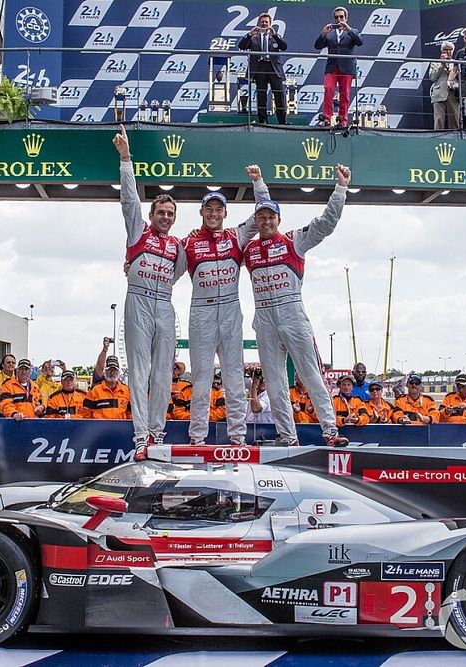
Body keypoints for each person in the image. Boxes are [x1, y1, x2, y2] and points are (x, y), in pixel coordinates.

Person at [243, 165, 353, 448]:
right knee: (276, 381)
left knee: (310, 374)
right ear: (256, 220)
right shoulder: (249, 249)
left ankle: (329, 431)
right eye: (261, 217)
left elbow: (326, 224)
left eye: (271, 217)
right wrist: (258, 182)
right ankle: (287, 437)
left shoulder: (294, 240)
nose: (266, 221)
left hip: (293, 315)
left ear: (278, 220)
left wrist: (340, 189)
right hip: (265, 319)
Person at [181, 167, 269, 447]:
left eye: (219, 209)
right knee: (201, 378)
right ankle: (197, 438)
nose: (214, 214)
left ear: (225, 213)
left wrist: (258, 182)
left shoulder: (236, 236)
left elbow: (262, 212)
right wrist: (131, 267)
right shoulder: (189, 242)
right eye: (209, 209)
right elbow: (165, 271)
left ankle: (237, 438)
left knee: (233, 377)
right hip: (201, 311)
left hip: (230, 309)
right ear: (202, 213)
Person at [113, 125, 186, 458]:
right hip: (139, 302)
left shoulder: (177, 246)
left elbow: (188, 269)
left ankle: (157, 431)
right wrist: (126, 159)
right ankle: (140, 435)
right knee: (139, 370)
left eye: (170, 214)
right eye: (161, 213)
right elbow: (129, 201)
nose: (166, 217)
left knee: (162, 373)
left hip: (165, 304)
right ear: (153, 214)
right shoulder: (138, 232)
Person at [313, 6, 363, 127]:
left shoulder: (353, 31)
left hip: (346, 68)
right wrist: (323, 34)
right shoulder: (330, 33)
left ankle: (342, 120)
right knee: (328, 90)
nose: (339, 19)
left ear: (346, 18)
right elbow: (317, 46)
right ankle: (327, 119)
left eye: (341, 17)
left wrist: (349, 29)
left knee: (345, 93)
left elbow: (360, 42)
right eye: (336, 17)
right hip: (332, 67)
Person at [237, 13, 288, 125]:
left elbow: (284, 47)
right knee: (261, 94)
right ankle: (263, 121)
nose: (264, 24)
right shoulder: (254, 38)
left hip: (274, 68)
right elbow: (241, 46)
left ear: (270, 24)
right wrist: (250, 34)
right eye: (262, 22)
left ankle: (282, 121)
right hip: (260, 67)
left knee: (279, 94)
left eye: (266, 22)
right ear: (259, 23)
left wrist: (274, 35)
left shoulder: (275, 37)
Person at [429, 42, 459, 130]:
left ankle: (455, 140)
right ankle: (437, 140)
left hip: (453, 94)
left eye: (450, 50)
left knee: (454, 119)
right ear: (441, 51)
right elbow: (432, 77)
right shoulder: (435, 63)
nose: (448, 52)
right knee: (438, 120)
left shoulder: (456, 63)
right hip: (439, 94)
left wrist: (451, 70)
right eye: (446, 49)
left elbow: (460, 77)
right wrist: (442, 65)